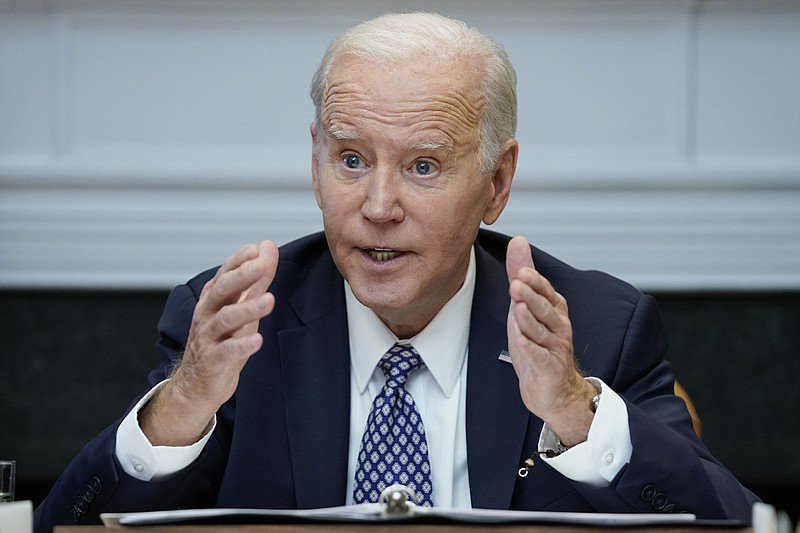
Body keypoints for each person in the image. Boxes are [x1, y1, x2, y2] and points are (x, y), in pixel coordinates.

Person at [34, 12, 758, 532]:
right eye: (350, 159)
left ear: (497, 183)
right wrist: (180, 406)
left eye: (422, 165)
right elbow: (62, 523)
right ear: (314, 159)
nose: (378, 207)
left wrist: (573, 408)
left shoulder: (597, 326)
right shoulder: (238, 325)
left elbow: (730, 522)